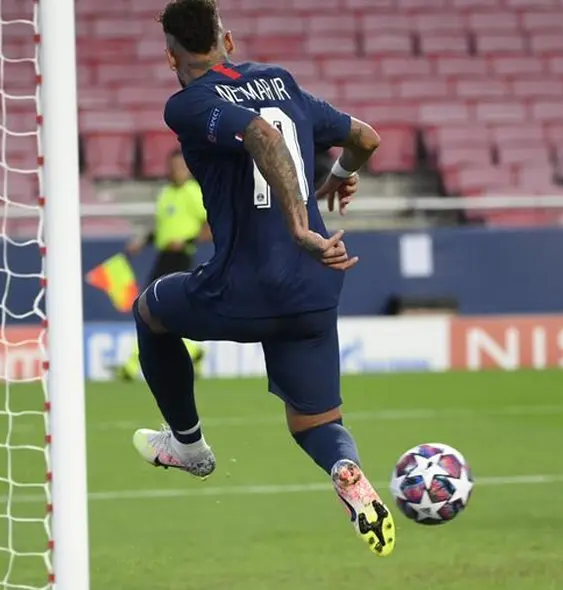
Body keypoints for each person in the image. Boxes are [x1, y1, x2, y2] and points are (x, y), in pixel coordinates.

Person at [130, 0, 394, 557]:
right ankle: (346, 470)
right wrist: (342, 176)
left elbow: (261, 136)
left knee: (151, 312)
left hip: (245, 288)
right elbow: (365, 137)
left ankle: (189, 446)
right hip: (316, 287)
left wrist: (299, 224)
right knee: (316, 421)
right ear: (228, 42)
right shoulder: (280, 80)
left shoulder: (187, 103)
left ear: (170, 55)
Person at [117, 149, 209, 381]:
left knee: (148, 308)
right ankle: (194, 352)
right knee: (158, 310)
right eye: (174, 167)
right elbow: (162, 228)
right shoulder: (166, 193)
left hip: (181, 257)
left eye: (181, 167)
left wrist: (187, 240)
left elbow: (209, 225)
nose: (177, 171)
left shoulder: (193, 192)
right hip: (163, 256)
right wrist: (143, 242)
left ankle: (131, 365)